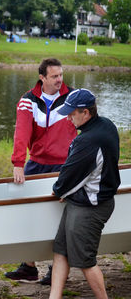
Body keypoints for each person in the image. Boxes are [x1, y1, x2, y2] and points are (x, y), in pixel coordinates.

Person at [6, 58, 77, 285]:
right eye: (54, 76)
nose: (59, 80)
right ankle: (29, 267)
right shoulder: (28, 101)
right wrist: (18, 163)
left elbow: (87, 127)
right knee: (28, 213)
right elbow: (22, 132)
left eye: (61, 75)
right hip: (36, 163)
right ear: (42, 78)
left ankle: (56, 268)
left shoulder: (73, 98)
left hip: (65, 165)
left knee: (59, 217)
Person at [50, 88, 120, 299]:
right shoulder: (106, 125)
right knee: (61, 251)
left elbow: (68, 179)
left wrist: (58, 191)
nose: (69, 118)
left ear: (86, 113)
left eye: (72, 113)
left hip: (90, 207)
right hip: (82, 201)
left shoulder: (87, 141)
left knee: (85, 261)